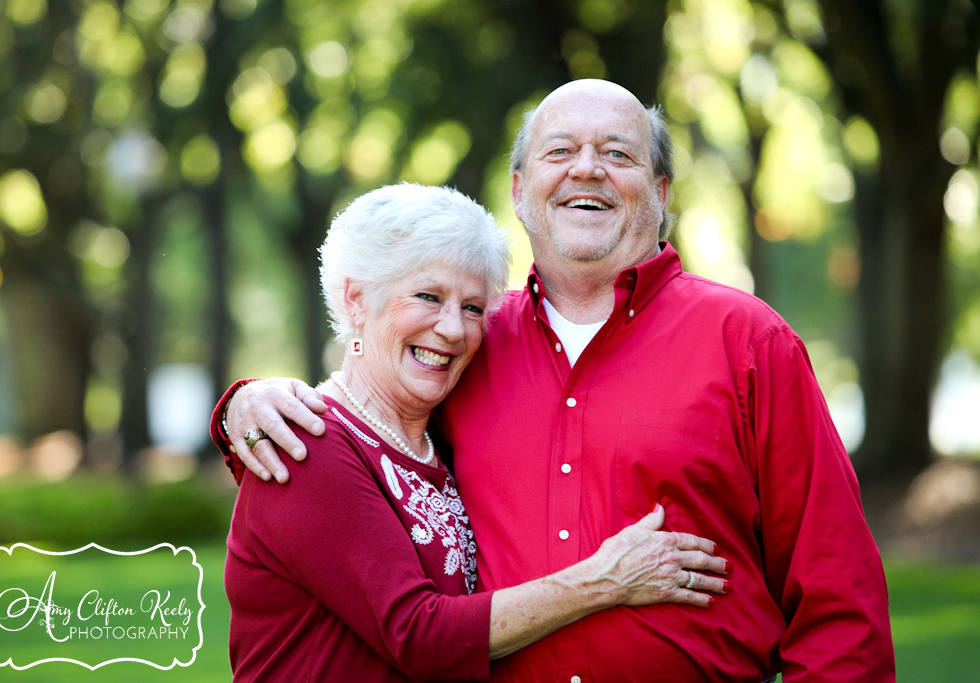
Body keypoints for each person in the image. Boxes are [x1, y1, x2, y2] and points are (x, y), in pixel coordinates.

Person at [214, 81, 896, 682]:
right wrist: (245, 401)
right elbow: (365, 419)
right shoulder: (474, 347)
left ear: (659, 193)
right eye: (560, 150)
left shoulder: (749, 342)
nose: (588, 170)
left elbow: (839, 596)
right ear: (519, 189)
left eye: (619, 153)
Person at [221, 182, 728, 682]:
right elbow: (418, 635)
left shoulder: (440, 437)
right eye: (427, 296)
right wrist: (605, 579)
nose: (453, 330)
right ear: (357, 299)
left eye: (472, 308)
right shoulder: (303, 441)